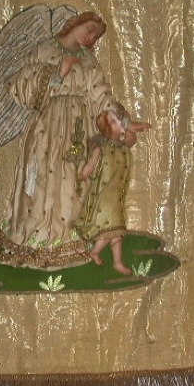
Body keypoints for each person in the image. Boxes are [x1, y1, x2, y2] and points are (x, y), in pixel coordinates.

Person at [0, 11, 133, 270]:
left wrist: (124, 123)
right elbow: (21, 84)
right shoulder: (45, 49)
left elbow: (101, 95)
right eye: (89, 29)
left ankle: (68, 238)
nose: (90, 38)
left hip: (79, 127)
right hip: (47, 126)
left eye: (96, 36)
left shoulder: (88, 60)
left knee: (73, 179)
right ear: (75, 24)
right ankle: (37, 236)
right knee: (42, 177)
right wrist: (57, 73)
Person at [73, 108, 151, 274]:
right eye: (114, 121)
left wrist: (127, 124)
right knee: (114, 228)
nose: (119, 123)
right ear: (108, 128)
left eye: (118, 119)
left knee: (115, 230)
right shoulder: (101, 148)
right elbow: (91, 164)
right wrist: (84, 174)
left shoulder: (123, 147)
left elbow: (131, 138)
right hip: (104, 196)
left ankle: (99, 254)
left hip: (116, 197)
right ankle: (114, 261)